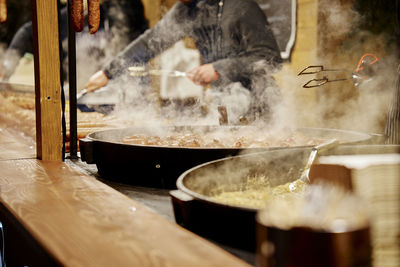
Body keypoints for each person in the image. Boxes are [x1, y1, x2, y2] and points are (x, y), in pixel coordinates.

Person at [85, 0, 283, 122]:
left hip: (260, 106)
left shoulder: (243, 7)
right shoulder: (186, 10)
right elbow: (149, 43)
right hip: (225, 104)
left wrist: (219, 68)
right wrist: (108, 72)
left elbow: (269, 58)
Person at [0, 0, 148, 81]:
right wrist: (7, 66)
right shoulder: (67, 15)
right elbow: (27, 33)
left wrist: (109, 73)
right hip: (79, 91)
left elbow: (143, 43)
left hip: (119, 88)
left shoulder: (127, 9)